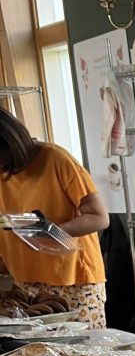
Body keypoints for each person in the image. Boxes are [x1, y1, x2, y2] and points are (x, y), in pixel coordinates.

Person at [0, 107, 109, 327]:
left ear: (9, 145)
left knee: (84, 352)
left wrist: (48, 231)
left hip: (74, 281)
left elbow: (99, 217)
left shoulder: (55, 159)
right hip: (25, 282)